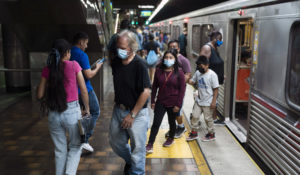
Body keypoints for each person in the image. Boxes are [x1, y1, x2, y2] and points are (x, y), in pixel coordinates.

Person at [37, 39, 90, 175]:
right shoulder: (74, 65)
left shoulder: (47, 69)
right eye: (69, 51)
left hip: (54, 113)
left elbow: (39, 94)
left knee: (60, 150)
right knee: (75, 145)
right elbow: (83, 90)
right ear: (66, 53)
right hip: (72, 111)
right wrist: (87, 109)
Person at [109, 30, 151, 175]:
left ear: (132, 48)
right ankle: (130, 162)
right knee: (116, 142)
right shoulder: (116, 62)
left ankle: (137, 171)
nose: (119, 50)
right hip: (119, 110)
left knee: (138, 148)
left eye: (123, 47)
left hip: (137, 113)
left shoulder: (140, 64)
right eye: (117, 47)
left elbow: (146, 91)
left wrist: (132, 115)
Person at [146, 49, 186, 154]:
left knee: (171, 122)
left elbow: (182, 90)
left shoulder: (180, 72)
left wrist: (178, 104)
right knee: (156, 123)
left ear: (175, 59)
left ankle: (171, 138)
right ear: (163, 59)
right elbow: (154, 86)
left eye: (171, 58)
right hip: (161, 101)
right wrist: (153, 100)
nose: (168, 59)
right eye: (166, 57)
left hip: (173, 103)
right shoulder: (159, 70)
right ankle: (150, 144)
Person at [70, 32, 102, 152]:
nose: (86, 46)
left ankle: (76, 140)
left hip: (72, 90)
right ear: (81, 41)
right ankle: (84, 140)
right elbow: (88, 74)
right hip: (85, 89)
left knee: (78, 116)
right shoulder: (82, 55)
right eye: (86, 43)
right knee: (94, 112)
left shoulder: (68, 53)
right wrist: (97, 68)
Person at [186, 56, 219, 142]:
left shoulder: (212, 75)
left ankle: (211, 134)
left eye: (201, 66)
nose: (200, 68)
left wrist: (214, 102)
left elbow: (216, 89)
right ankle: (194, 133)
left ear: (207, 65)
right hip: (199, 100)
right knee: (195, 116)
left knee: (208, 119)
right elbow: (192, 81)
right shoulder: (198, 73)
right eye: (198, 66)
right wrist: (187, 79)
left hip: (208, 101)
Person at [165, 40, 191, 138]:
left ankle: (181, 127)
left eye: (174, 47)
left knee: (177, 109)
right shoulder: (167, 59)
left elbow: (188, 74)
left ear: (178, 48)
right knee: (171, 110)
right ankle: (174, 127)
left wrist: (179, 85)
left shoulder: (183, 60)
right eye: (170, 47)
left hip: (179, 90)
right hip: (168, 90)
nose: (172, 48)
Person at [199, 31, 224, 124]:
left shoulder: (215, 48)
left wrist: (221, 74)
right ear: (215, 39)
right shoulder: (207, 48)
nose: (221, 42)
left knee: (214, 98)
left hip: (215, 80)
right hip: (209, 81)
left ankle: (213, 118)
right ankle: (209, 118)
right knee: (210, 99)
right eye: (220, 40)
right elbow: (201, 63)